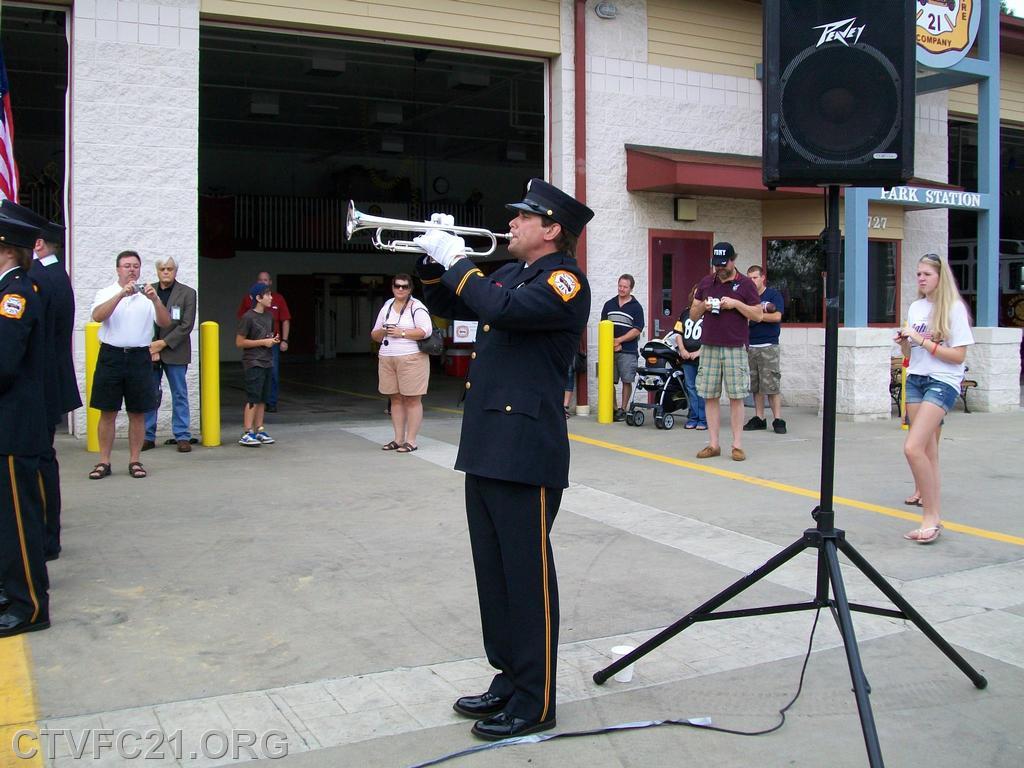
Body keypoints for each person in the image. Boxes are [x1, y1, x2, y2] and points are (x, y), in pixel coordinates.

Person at [415, 178, 592, 741]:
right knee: (493, 575)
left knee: (527, 578)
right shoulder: (515, 273)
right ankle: (509, 678)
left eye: (523, 217)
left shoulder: (563, 281)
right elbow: (449, 301)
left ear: (552, 229)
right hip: (488, 442)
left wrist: (458, 259)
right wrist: (432, 259)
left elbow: (499, 307)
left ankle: (536, 700)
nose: (511, 223)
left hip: (526, 448)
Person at [1, 200, 80, 561]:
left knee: (36, 469)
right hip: (45, 381)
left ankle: (44, 540)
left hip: (36, 385)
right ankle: (45, 537)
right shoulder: (49, 275)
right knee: (40, 464)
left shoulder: (36, 281)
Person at [895, 253, 974, 544]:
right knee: (927, 451)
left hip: (942, 381)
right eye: (918, 274)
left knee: (912, 447)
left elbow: (959, 356)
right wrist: (906, 343)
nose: (921, 278)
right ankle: (932, 515)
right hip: (916, 378)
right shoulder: (916, 307)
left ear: (941, 277)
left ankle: (931, 517)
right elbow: (910, 354)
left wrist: (923, 341)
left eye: (927, 274)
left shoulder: (953, 309)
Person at [0, 215, 53, 637]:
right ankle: (11, 591)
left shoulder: (15, 295)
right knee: (7, 519)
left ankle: (30, 605)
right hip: (10, 423)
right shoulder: (10, 291)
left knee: (19, 520)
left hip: (15, 424)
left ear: (5, 250)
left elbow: (4, 363)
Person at [88, 251, 172, 480]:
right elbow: (97, 316)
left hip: (139, 357)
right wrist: (120, 295)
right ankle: (104, 461)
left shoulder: (148, 296)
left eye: (135, 266)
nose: (132, 270)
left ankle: (135, 460)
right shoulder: (106, 292)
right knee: (107, 411)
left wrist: (155, 300)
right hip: (111, 356)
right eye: (127, 266)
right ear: (118, 269)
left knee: (137, 412)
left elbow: (165, 322)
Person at [691, 242, 762, 461]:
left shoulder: (746, 284)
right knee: (710, 395)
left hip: (735, 345)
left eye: (724, 264)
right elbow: (693, 314)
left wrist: (735, 304)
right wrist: (703, 305)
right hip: (709, 345)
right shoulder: (706, 282)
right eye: (717, 265)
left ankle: (737, 445)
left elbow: (758, 315)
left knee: (736, 396)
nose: (720, 269)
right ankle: (713, 444)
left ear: (733, 260)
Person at [370, 273, 432, 453]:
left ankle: (411, 441)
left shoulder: (417, 307)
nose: (400, 289)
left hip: (411, 358)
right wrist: (384, 331)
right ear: (392, 287)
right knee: (395, 398)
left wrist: (402, 333)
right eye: (397, 286)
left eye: (404, 286)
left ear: (410, 289)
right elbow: (374, 334)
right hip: (387, 357)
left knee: (412, 399)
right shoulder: (387, 306)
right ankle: (398, 439)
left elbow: (426, 331)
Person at [143, 257, 198, 452]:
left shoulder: (188, 293)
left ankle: (182, 435)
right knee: (150, 393)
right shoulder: (147, 291)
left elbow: (186, 325)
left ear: (176, 271)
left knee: (179, 393)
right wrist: (152, 346)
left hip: (176, 350)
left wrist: (163, 344)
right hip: (151, 351)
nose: (166, 272)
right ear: (157, 271)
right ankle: (147, 436)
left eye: (170, 268)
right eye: (162, 269)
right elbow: (143, 321)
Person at [236, 271, 291, 412]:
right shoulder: (248, 311)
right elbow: (241, 336)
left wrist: (283, 340)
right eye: (260, 280)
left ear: (270, 282)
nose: (270, 298)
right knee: (254, 388)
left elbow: (284, 321)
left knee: (271, 375)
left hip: (270, 348)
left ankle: (270, 403)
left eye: (265, 280)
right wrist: (261, 341)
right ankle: (250, 420)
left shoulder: (271, 312)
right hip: (254, 353)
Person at [743, 265, 787, 434]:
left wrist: (758, 316)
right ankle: (759, 417)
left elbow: (777, 316)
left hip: (768, 345)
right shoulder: (748, 297)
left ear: (762, 278)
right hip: (751, 345)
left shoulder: (773, 295)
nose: (752, 281)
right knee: (756, 385)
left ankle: (778, 419)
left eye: (755, 277)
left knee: (771, 384)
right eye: (749, 278)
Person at [235, 283, 279, 446]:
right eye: (267, 295)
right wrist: (263, 342)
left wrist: (272, 341)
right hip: (253, 362)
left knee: (263, 398)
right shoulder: (248, 317)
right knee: (253, 397)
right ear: (258, 298)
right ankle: (247, 431)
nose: (271, 298)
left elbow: (268, 336)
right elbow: (240, 342)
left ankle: (259, 429)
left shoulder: (269, 316)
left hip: (267, 361)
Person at [600, 274, 644, 421]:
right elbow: (603, 325)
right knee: (608, 380)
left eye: (625, 287)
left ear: (631, 288)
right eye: (620, 286)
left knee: (626, 380)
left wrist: (619, 341)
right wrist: (611, 344)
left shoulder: (636, 307)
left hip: (628, 350)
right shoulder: (609, 304)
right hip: (609, 350)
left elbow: (637, 329)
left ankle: (623, 409)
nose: (622, 289)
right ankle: (612, 408)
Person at [673, 284, 706, 431]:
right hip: (686, 358)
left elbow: (712, 336)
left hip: (703, 358)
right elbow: (677, 333)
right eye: (695, 294)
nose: (697, 297)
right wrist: (682, 349)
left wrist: (699, 352)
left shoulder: (709, 315)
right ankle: (693, 417)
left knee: (702, 389)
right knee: (690, 387)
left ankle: (703, 419)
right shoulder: (685, 313)